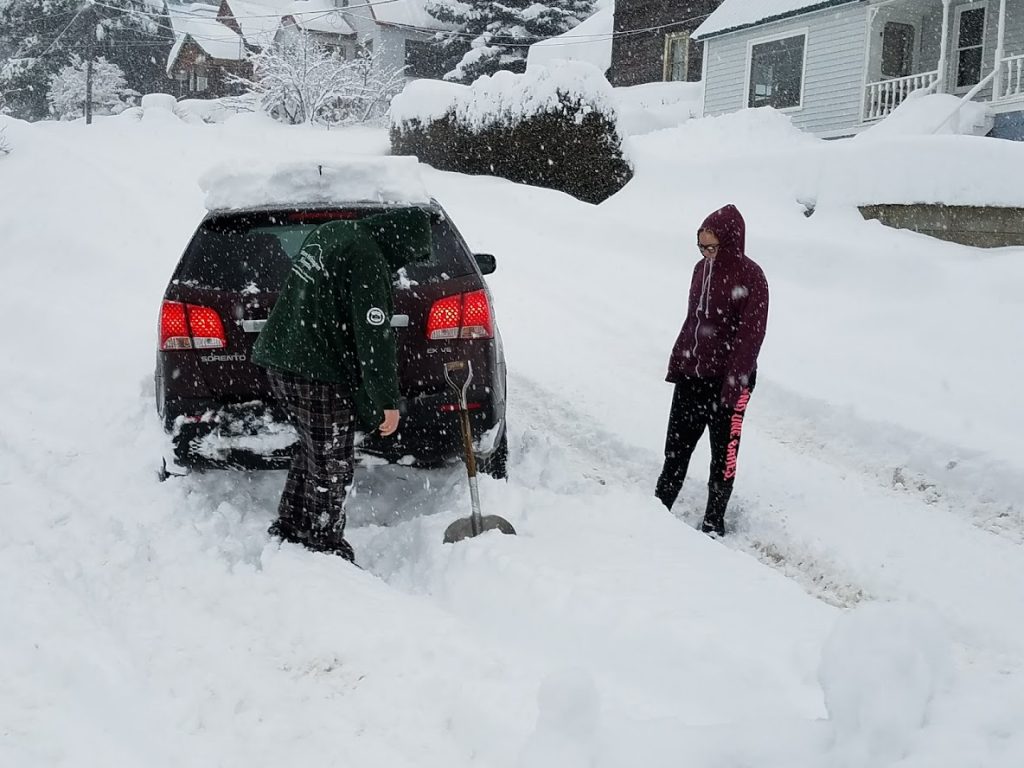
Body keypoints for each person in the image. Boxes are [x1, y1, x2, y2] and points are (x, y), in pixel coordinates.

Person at [252, 208, 431, 561]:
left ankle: (291, 524)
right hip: (314, 371)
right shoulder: (367, 258)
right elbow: (374, 337)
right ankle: (324, 544)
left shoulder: (334, 232)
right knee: (333, 461)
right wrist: (386, 402)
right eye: (409, 255)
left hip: (280, 360)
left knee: (313, 449)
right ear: (400, 241)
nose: (404, 264)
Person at [656, 204, 769, 537]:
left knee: (723, 455)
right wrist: (680, 358)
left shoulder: (751, 277)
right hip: (693, 374)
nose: (706, 253)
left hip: (729, 380)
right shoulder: (700, 269)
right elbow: (694, 320)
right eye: (701, 245)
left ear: (730, 244)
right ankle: (657, 509)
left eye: (712, 246)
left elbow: (751, 335)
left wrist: (734, 383)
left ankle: (713, 522)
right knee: (676, 448)